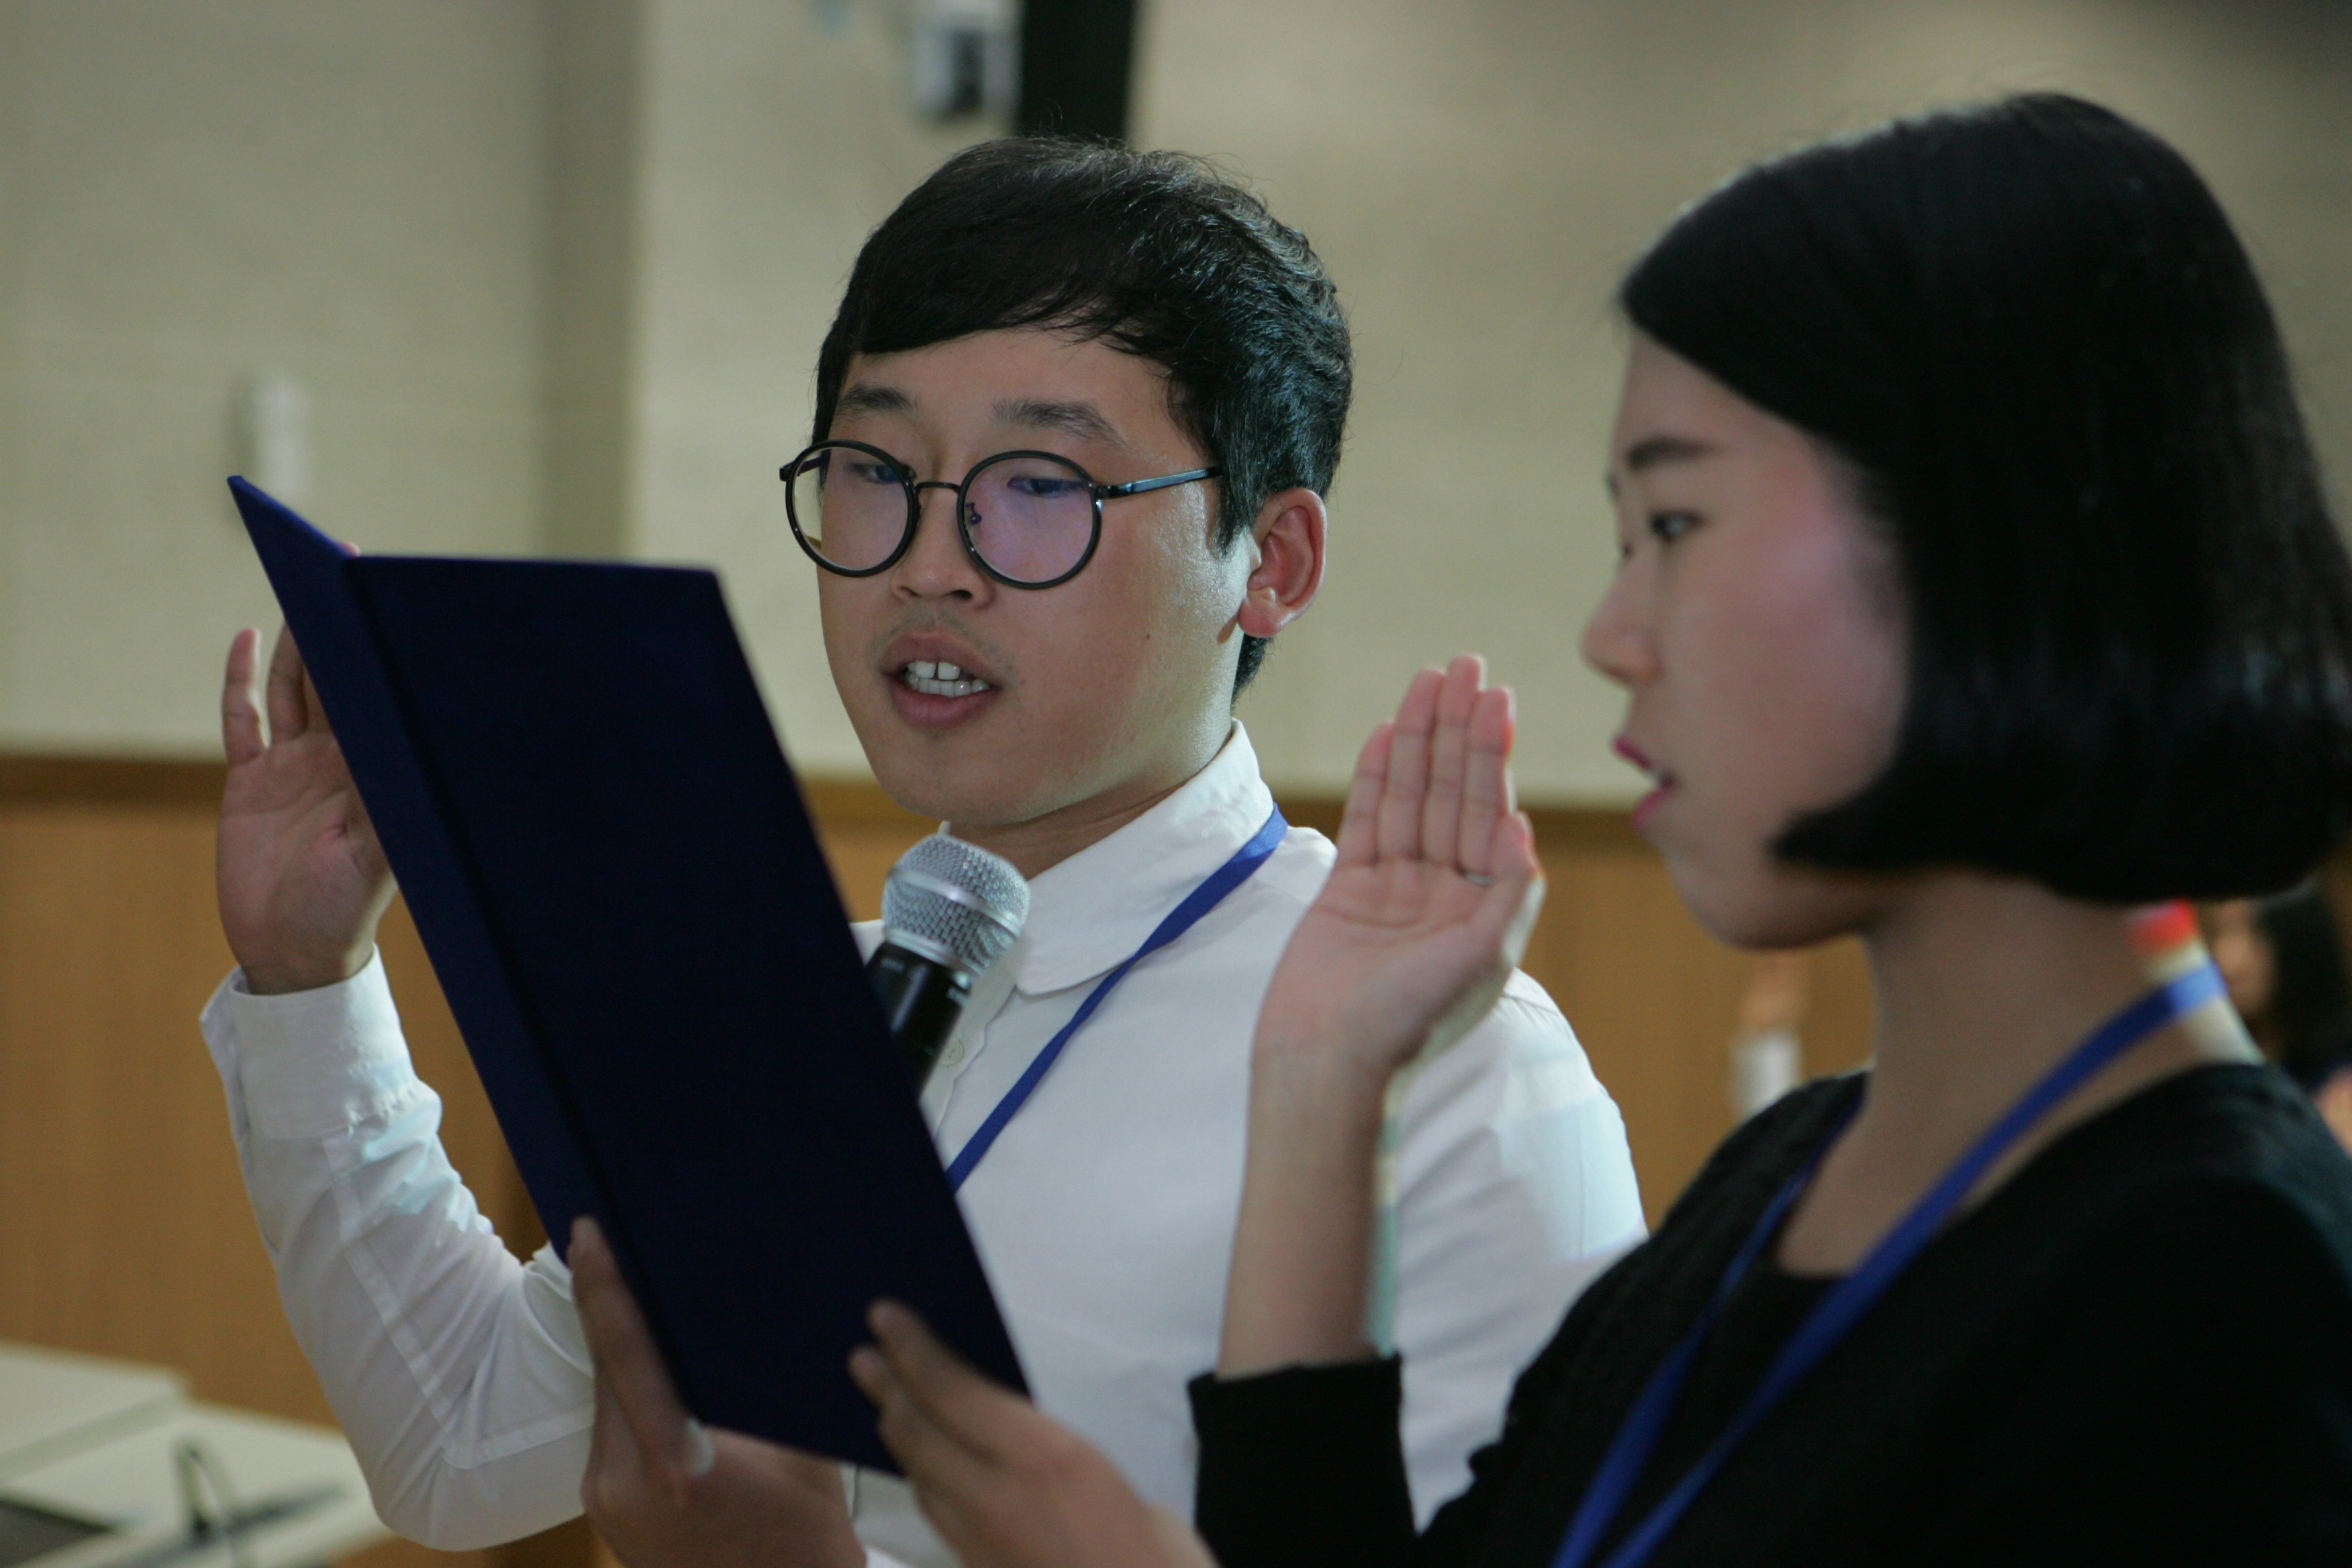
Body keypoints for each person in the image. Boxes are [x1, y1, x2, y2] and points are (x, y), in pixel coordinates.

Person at [828, 95, 2352, 1565]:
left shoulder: (2218, 1271)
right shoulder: (1785, 1171)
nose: (1611, 633)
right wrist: (1319, 1090)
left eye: (1673, 526)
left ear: (1990, 547)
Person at [201, 140, 1645, 1566]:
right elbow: (458, 1443)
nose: (929, 562)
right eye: (875, 469)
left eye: (1041, 483)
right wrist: (307, 981)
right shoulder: (808, 1010)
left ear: (1269, 562)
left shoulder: (1444, 1065)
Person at [2210, 886, 2352, 1150]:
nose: (2229, 960)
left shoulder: (2339, 1083)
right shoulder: (2220, 1077)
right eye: (2218, 934)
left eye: (2253, 932)